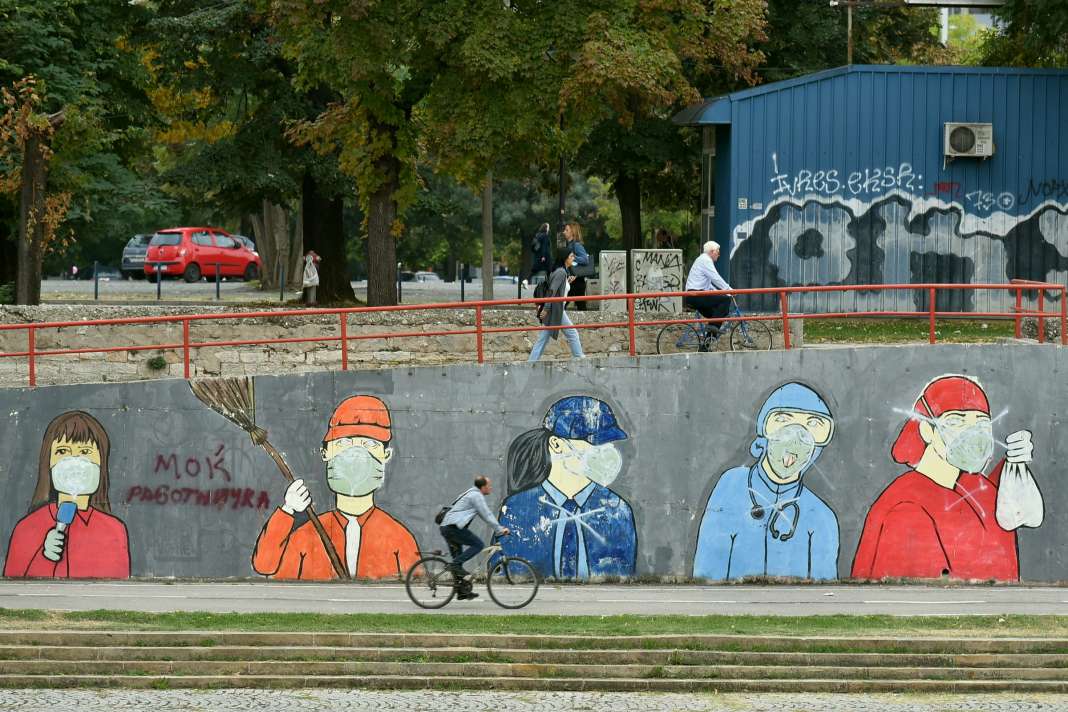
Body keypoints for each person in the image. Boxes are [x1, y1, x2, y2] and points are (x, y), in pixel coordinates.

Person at [851, 375, 1043, 581]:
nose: (972, 433)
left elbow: (1001, 511)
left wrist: (1015, 465)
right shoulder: (907, 508)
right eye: (956, 421)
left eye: (981, 423)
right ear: (927, 430)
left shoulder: (974, 486)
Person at [252, 395, 420, 580]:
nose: (355, 456)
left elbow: (417, 584)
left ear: (386, 455)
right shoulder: (309, 534)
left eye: (369, 444)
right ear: (325, 453)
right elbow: (264, 566)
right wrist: (288, 510)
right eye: (343, 444)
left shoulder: (398, 538)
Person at [693, 383, 839, 581]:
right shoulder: (731, 485)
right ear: (764, 431)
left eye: (814, 424)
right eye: (782, 419)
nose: (796, 437)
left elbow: (824, 588)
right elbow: (708, 571)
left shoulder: (822, 516)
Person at [497, 396, 636, 580]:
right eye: (594, 443)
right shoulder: (517, 509)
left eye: (608, 443)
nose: (605, 451)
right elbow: (505, 573)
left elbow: (623, 575)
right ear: (556, 445)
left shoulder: (618, 511)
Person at [4, 411, 130, 579]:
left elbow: (117, 587)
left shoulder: (114, 530)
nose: (75, 461)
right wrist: (45, 556)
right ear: (48, 462)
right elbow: (14, 583)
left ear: (101, 463)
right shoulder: (26, 528)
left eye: (85, 451)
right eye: (63, 451)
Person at [439, 476, 509, 600]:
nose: (491, 487)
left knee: (458, 562)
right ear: (483, 487)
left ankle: (462, 592)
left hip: (448, 527)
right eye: (489, 485)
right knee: (478, 545)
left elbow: (482, 515)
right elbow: (487, 515)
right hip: (452, 528)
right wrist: (500, 529)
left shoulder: (470, 493)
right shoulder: (476, 496)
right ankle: (454, 565)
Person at [528, 252, 585, 362]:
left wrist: (567, 282)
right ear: (565, 258)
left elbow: (559, 289)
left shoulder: (562, 272)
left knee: (543, 338)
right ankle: (579, 357)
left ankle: (531, 362)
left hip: (556, 309)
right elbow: (552, 291)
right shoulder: (561, 272)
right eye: (571, 256)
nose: (573, 258)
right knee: (572, 333)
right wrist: (546, 308)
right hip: (556, 309)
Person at [684, 241, 732, 336]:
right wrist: (729, 290)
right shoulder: (706, 260)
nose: (719, 254)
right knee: (726, 300)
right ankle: (712, 327)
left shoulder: (703, 259)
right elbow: (716, 278)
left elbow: (709, 285)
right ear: (711, 251)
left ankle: (708, 341)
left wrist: (720, 292)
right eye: (718, 252)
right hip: (696, 295)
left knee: (718, 314)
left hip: (695, 295)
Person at [564, 222, 590, 310]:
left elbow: (585, 260)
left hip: (577, 281)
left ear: (572, 232)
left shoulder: (576, 245)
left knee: (562, 305)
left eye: (566, 230)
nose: (564, 232)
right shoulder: (568, 245)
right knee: (562, 305)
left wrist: (573, 257)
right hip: (571, 280)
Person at [524, 223, 552, 289]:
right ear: (546, 228)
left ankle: (526, 281)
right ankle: (549, 285)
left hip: (538, 256)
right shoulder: (545, 236)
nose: (549, 229)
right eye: (548, 227)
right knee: (549, 269)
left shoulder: (538, 235)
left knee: (536, 270)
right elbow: (544, 246)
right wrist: (543, 256)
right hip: (545, 257)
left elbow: (534, 247)